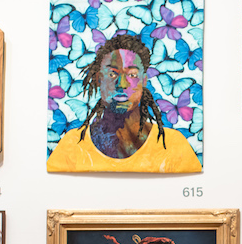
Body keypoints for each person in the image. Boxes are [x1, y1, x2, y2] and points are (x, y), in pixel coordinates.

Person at [47, 33, 201, 172]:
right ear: (99, 80)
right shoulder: (72, 145)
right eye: (112, 74)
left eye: (132, 75)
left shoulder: (172, 145)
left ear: (144, 81)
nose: (121, 83)